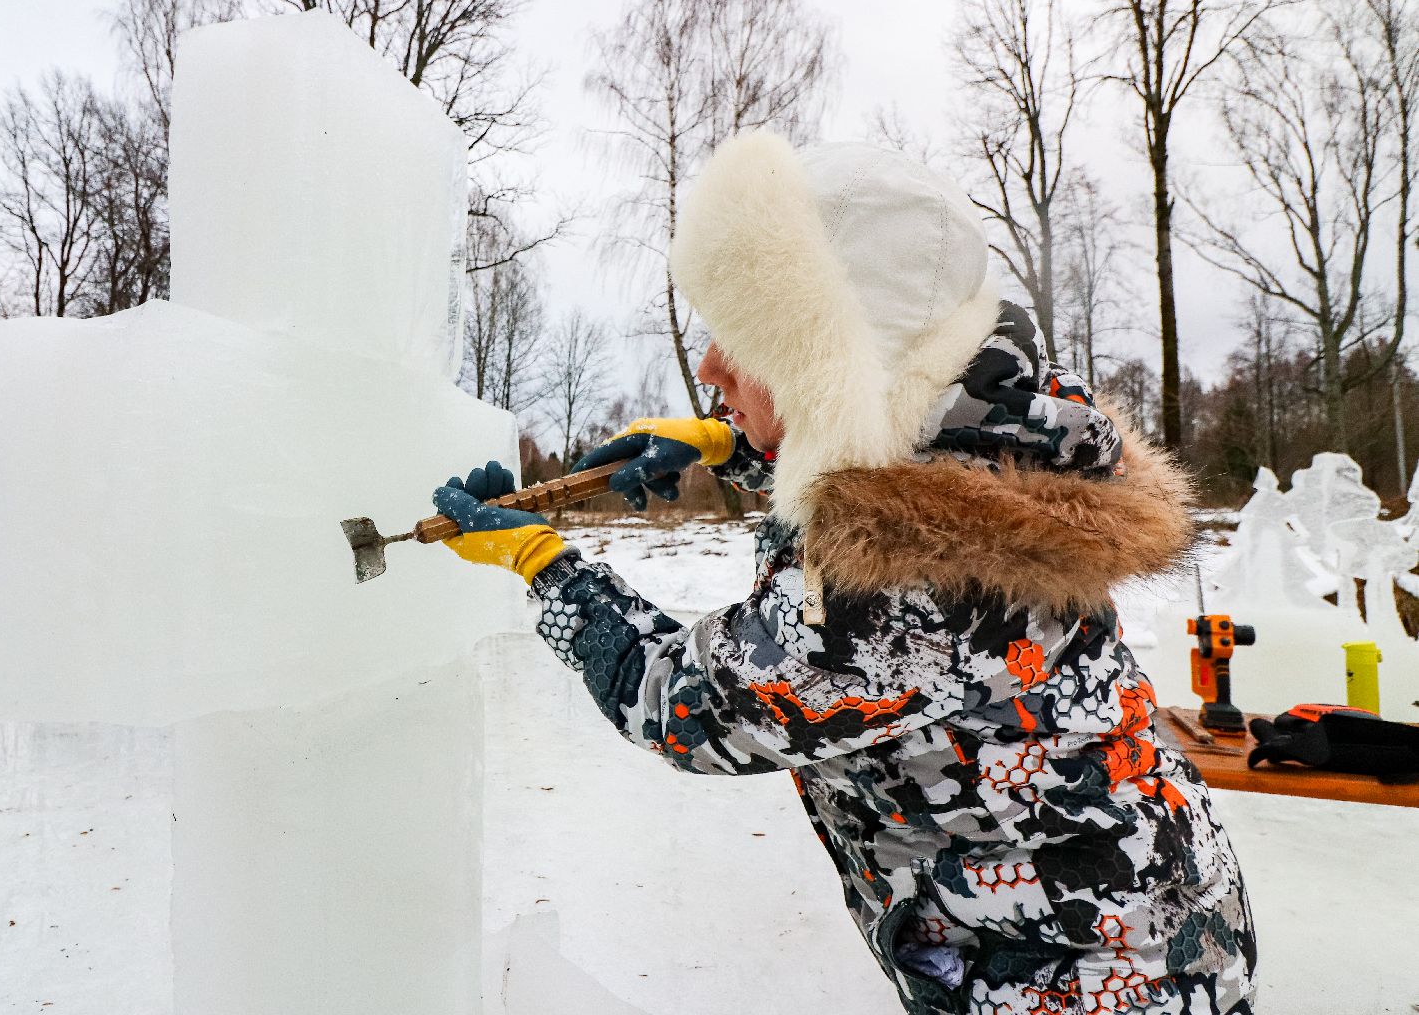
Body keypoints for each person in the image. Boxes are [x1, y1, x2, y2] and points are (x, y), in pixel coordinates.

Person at [431, 132, 1256, 1015]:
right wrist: (732, 441)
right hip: (1136, 912)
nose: (709, 366)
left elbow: (683, 705)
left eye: (751, 341)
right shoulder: (1012, 435)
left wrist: (545, 568)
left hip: (1081, 979)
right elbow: (887, 444)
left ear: (837, 359)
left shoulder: (910, 576)